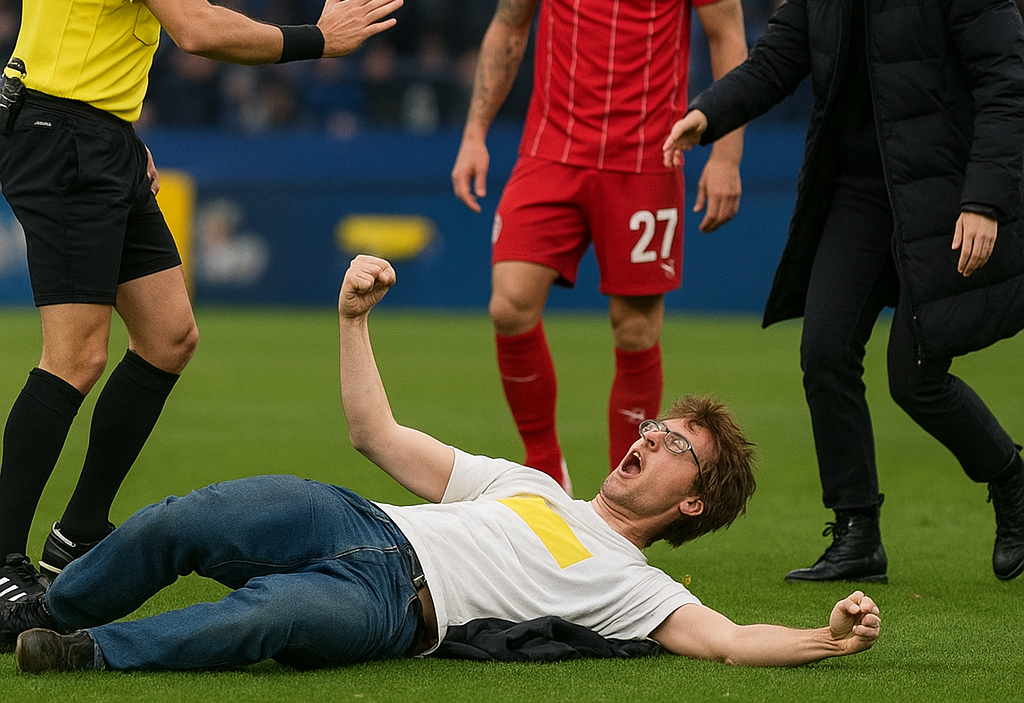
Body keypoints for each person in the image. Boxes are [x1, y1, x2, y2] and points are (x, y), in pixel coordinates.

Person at [0, 254, 881, 673]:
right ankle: (53, 604)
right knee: (186, 519)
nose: (644, 437)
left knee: (263, 618)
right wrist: (352, 319)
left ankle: (84, 652)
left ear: (694, 504)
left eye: (674, 446)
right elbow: (377, 436)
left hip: (392, 605)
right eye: (656, 425)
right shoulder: (533, 486)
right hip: (356, 520)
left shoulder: (638, 589)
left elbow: (728, 642)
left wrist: (827, 639)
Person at [0, 0, 405, 599]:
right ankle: (1, 558)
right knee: (74, 357)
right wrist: (315, 40)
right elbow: (196, 28)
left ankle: (77, 536)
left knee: (170, 335)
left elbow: (88, 27)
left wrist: (119, 124)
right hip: (62, 138)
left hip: (95, 134)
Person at [663, 0, 1024, 583]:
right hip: (859, 193)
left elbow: (1007, 85)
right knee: (825, 350)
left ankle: (1013, 481)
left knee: (916, 380)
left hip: (944, 197)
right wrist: (708, 112)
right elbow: (776, 60)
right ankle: (856, 532)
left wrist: (985, 201)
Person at [451, 0, 748, 490]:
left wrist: (726, 154)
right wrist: (474, 132)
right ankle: (544, 470)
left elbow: (729, 38)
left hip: (647, 158)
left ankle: (627, 495)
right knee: (508, 303)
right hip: (550, 150)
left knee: (635, 331)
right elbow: (508, 28)